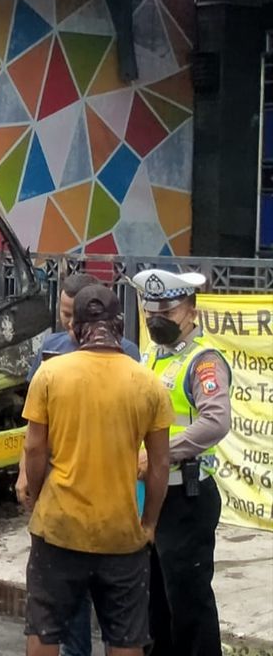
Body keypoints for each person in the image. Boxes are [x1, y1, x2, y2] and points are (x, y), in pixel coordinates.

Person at [22, 285, 173, 656]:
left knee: (45, 630)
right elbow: (159, 465)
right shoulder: (149, 384)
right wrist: (149, 522)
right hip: (122, 535)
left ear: (75, 329)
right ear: (119, 326)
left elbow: (34, 448)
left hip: (59, 529)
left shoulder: (50, 374)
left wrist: (38, 496)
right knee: (125, 637)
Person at [132, 269, 231, 656]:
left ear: (191, 310)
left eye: (167, 314)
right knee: (155, 601)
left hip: (185, 498)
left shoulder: (204, 361)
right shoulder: (150, 356)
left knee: (188, 603)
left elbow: (215, 421)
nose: (157, 322)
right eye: (150, 314)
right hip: (150, 494)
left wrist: (160, 453)